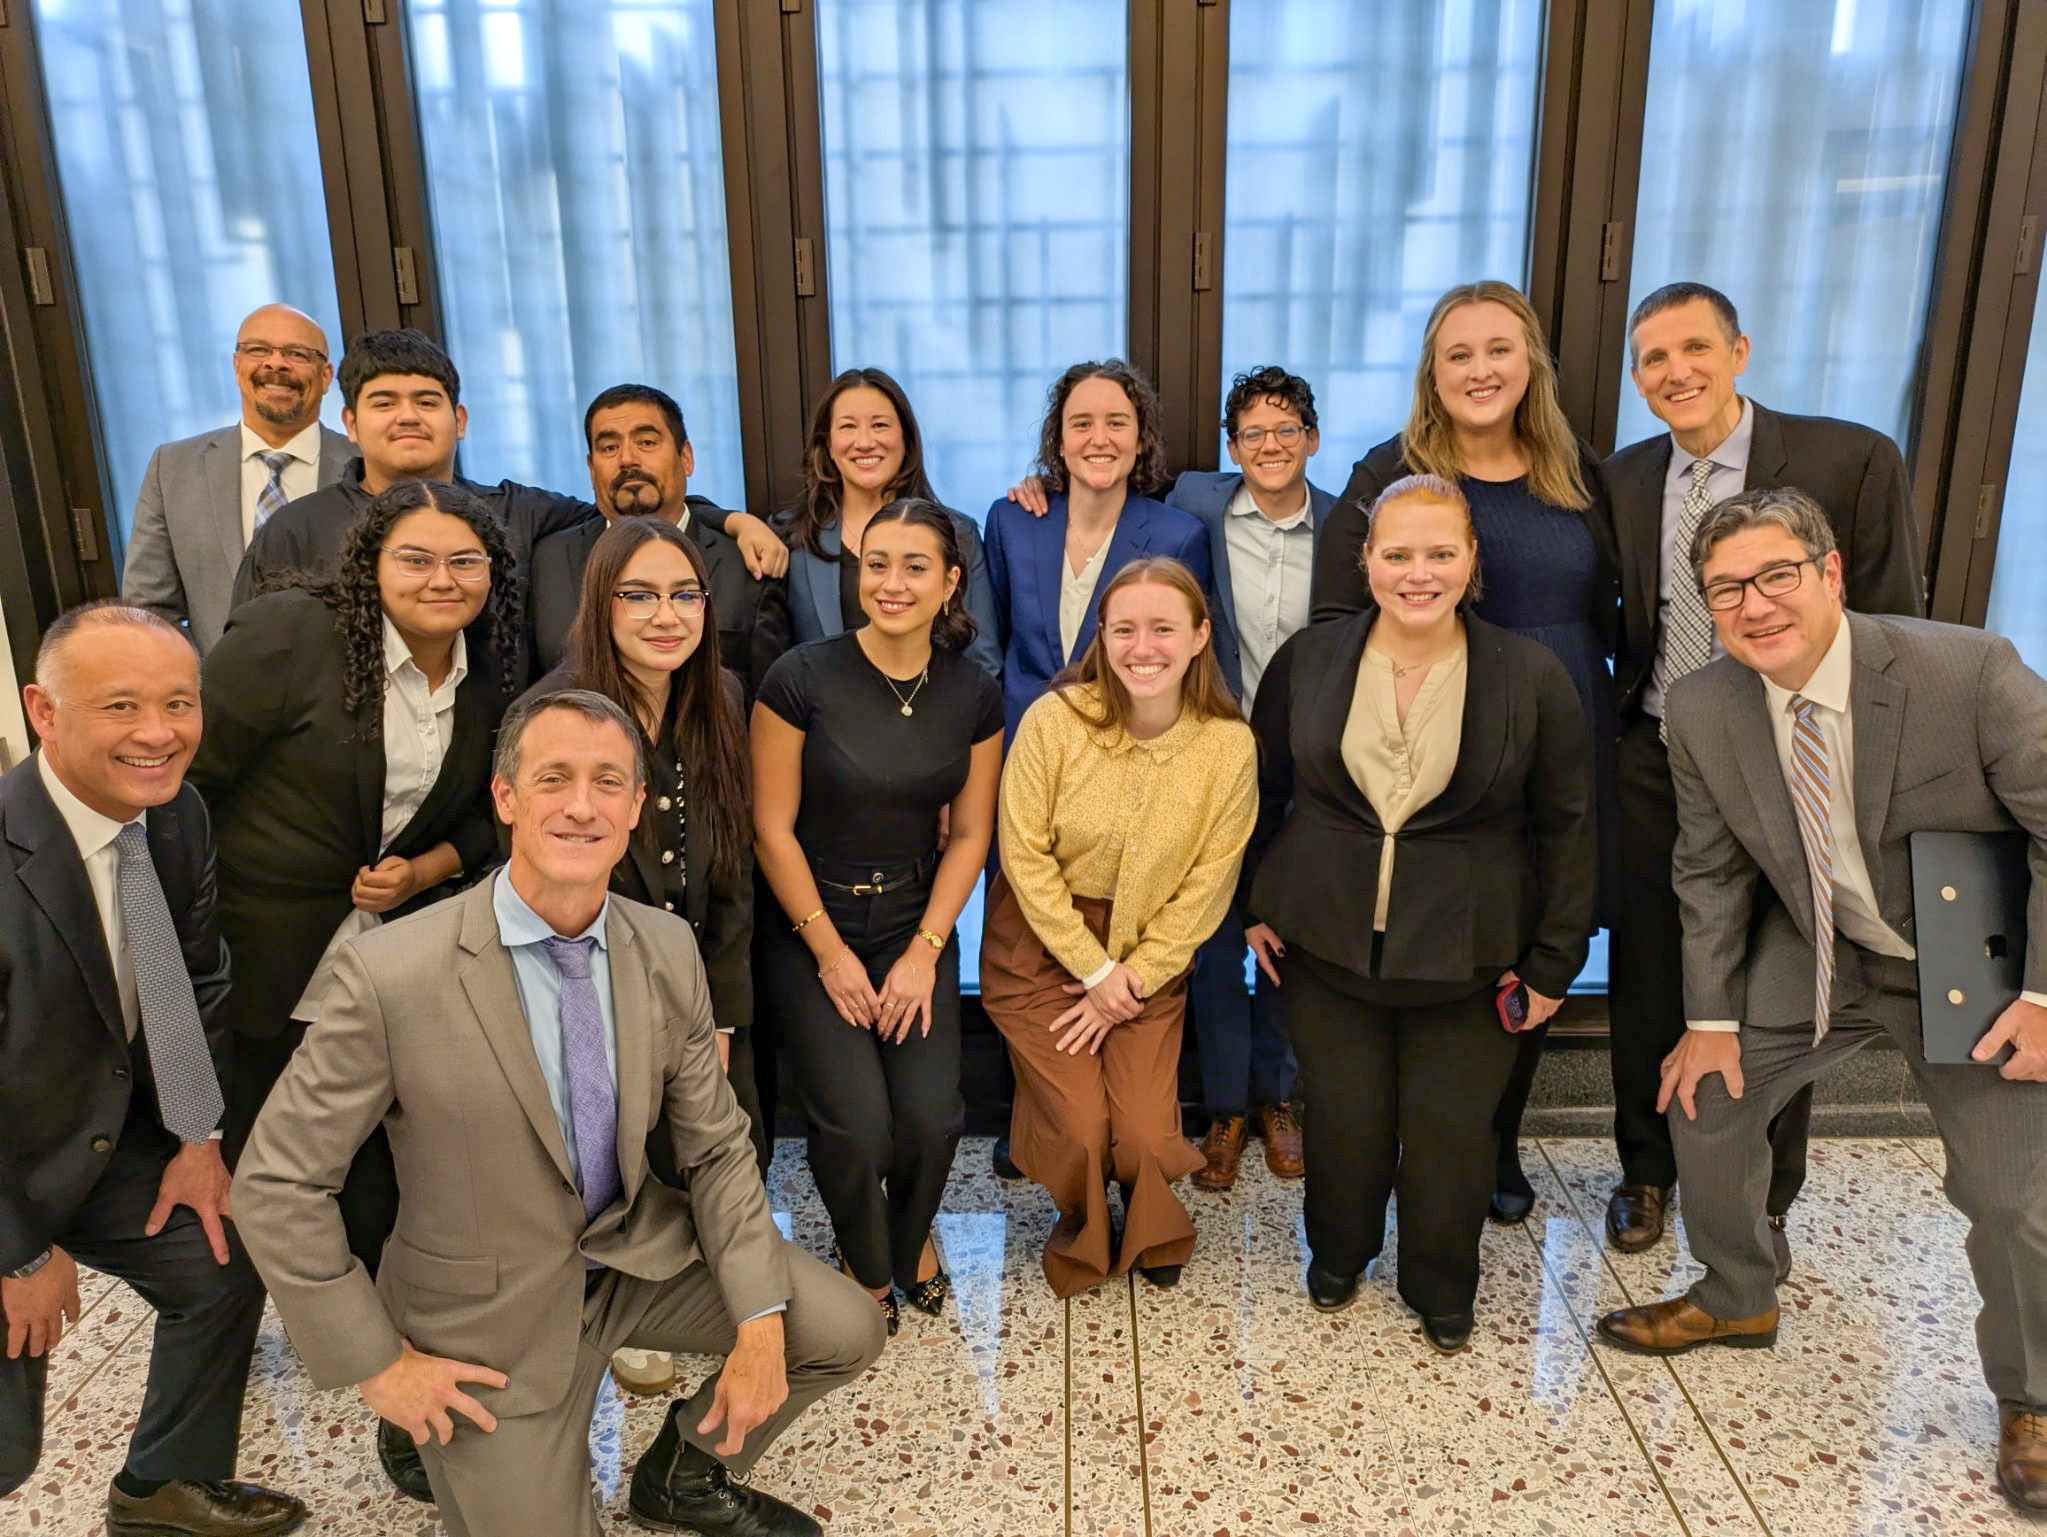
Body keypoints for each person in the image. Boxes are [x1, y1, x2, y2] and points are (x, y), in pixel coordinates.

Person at [233, 687, 884, 1537]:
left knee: (843, 1326)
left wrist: (759, 1324)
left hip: (632, 1256)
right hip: (482, 1321)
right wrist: (378, 1364)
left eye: (609, 781)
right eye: (554, 779)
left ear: (636, 808)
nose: (582, 805)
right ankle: (424, 1440)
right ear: (505, 798)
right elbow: (276, 1184)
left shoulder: (665, 945)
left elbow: (718, 1148)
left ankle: (682, 1472)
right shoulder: (390, 974)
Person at [1593, 486, 2047, 1514]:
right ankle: (1736, 1295)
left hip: (1978, 962)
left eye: (1774, 576)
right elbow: (1705, 870)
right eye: (1724, 590)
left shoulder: (1963, 670)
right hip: (1823, 946)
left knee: (2011, 1197)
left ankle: (2033, 1396)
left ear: (1830, 571)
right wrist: (1707, 1021)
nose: (1752, 605)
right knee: (1703, 1098)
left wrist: (2041, 993)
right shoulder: (1705, 707)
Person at [188, 480, 518, 1500]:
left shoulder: (491, 671)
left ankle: (399, 1399)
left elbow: (487, 816)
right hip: (262, 957)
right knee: (257, 1191)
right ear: (370, 562)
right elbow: (187, 784)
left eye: (465, 561)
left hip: (393, 966)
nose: (441, 579)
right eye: (416, 558)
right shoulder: (292, 636)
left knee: (392, 1184)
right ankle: (189, 1446)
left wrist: (424, 871)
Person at [1600, 282, 1925, 1263]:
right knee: (1651, 969)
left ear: (1738, 350)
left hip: (1799, 758)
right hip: (1659, 754)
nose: (1675, 372)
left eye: (1693, 348)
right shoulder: (1620, 479)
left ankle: (1766, 1190)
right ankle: (1646, 1171)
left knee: (1785, 975)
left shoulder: (1847, 459)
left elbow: (1893, 621)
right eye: (1652, 358)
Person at [1244, 476, 1593, 1351]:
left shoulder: (1529, 673)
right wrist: (1255, 900)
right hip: (1322, 942)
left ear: (1472, 560)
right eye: (1396, 553)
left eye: (1439, 553)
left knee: (1449, 1138)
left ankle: (1441, 1282)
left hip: (1471, 958)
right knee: (1343, 1121)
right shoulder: (1309, 660)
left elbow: (1567, 824)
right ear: (1364, 561)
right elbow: (1260, 791)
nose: (1417, 572)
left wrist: (1554, 963)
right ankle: (1337, 1253)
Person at [1309, 281, 1619, 1225]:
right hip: (1445, 744)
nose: (1480, 369)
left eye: (1498, 348)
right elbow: (1335, 618)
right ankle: (1417, 1141)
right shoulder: (1387, 473)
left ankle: (1494, 1137)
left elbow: (1620, 605)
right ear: (1431, 374)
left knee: (1534, 936)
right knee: (1447, 934)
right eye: (1458, 354)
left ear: (1530, 362)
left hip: (1564, 728)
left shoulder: (1580, 473)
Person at [0, 603, 306, 1536]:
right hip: (7, 1169)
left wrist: (197, 1137)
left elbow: (197, 976)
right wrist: (17, 1250)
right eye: (122, 705)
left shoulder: (175, 817)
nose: (158, 733)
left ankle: (163, 1488)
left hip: (95, 1135)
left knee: (221, 1254)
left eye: (180, 702)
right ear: (43, 711)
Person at [521, 517, 766, 1402]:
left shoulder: (722, 697)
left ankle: (696, 1301)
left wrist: (724, 1013)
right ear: (601, 599)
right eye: (640, 594)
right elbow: (548, 882)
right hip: (588, 983)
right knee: (615, 1159)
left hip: (699, 982)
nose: (666, 615)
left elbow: (732, 866)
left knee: (732, 1143)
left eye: (683, 594)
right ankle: (620, 1314)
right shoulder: (555, 713)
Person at [752, 500, 1002, 1335]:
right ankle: (865, 1261)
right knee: (856, 1123)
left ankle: (910, 1235)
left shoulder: (973, 690)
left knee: (932, 1117)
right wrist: (826, 951)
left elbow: (970, 833)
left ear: (949, 582)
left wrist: (926, 950)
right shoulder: (799, 676)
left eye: (915, 566)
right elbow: (771, 828)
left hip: (914, 922)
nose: (892, 583)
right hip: (807, 921)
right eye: (877, 562)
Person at [984, 557, 1254, 1297]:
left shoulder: (1228, 746)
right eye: (1124, 628)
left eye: (1163, 628)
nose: (1144, 647)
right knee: (1077, 1124)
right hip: (1039, 943)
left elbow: (1209, 883)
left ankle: (1151, 1214)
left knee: (1137, 1129)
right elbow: (1023, 854)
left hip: (1148, 957)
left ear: (1199, 636)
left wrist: (1127, 974)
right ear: (1099, 636)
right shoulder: (1054, 720)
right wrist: (1091, 971)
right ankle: (1082, 1222)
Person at [1158, 365, 1337, 1190]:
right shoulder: (1193, 505)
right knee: (1212, 935)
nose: (1270, 445)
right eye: (1253, 433)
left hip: (1310, 764)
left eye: (1286, 429)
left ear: (1310, 437)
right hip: (1209, 757)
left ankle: (1279, 1097)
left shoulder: (1344, 525)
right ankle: (1223, 1105)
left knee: (1289, 937)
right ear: (1231, 448)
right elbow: (1097, 487)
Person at [984, 360, 1213, 744]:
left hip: (1124, 752)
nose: (1099, 438)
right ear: (1059, 440)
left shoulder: (1179, 538)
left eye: (1117, 423)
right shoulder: (1012, 523)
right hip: (1020, 749)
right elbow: (990, 653)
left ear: (1141, 441)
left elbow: (1187, 669)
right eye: (1082, 423)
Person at [527, 384, 790, 697]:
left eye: (647, 442)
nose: (627, 459)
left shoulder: (745, 561)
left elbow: (769, 698)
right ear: (591, 468)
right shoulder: (550, 559)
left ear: (686, 458)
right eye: (609, 448)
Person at [122, 303, 350, 652]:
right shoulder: (172, 468)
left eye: (297, 353)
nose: (275, 363)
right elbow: (149, 610)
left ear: (325, 376)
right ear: (236, 365)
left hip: (349, 692)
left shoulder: (364, 466)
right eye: (258, 350)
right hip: (222, 696)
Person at [764, 367, 1001, 678]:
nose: (864, 442)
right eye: (847, 427)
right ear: (828, 446)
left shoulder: (959, 534)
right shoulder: (789, 537)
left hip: (934, 721)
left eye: (879, 425)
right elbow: (774, 669)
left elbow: (984, 665)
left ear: (905, 440)